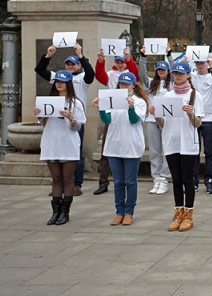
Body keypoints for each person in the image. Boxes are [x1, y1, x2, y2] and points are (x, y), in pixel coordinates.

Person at [149, 61, 204, 232]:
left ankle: (189, 214)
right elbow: (162, 122)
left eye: (181, 73)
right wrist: (155, 114)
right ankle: (178, 212)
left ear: (188, 75)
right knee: (176, 180)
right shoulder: (166, 96)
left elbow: (198, 123)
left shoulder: (195, 95)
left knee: (188, 180)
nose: (178, 76)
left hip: (187, 143)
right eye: (175, 73)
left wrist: (189, 113)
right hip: (171, 141)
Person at [35, 43, 95, 196]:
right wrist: (47, 56)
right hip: (56, 122)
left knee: (76, 153)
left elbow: (90, 74)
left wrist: (81, 55)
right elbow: (40, 70)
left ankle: (76, 183)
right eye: (68, 64)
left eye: (73, 64)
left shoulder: (82, 79)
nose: (70, 66)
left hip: (75, 119)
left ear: (78, 65)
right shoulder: (58, 77)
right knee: (57, 155)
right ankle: (59, 185)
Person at [93, 72, 148, 226]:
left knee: (130, 181)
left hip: (131, 144)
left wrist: (130, 108)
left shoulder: (139, 101)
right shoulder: (112, 99)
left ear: (133, 85)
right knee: (118, 181)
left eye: (127, 84)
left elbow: (134, 120)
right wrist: (101, 109)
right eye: (121, 84)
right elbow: (107, 120)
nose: (124, 86)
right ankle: (119, 211)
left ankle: (129, 212)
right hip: (114, 144)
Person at [36, 70, 87, 225]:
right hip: (51, 142)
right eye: (57, 81)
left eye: (63, 82)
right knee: (56, 178)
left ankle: (65, 211)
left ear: (68, 84)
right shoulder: (49, 100)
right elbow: (43, 121)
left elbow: (78, 126)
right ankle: (55, 211)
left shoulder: (75, 103)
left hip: (68, 143)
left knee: (67, 178)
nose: (59, 84)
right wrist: (39, 114)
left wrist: (71, 117)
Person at [94, 46, 140, 195]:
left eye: (122, 61)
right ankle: (103, 181)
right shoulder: (111, 74)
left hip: (126, 112)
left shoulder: (129, 73)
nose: (120, 64)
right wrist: (100, 61)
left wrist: (129, 59)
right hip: (112, 111)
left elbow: (135, 74)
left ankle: (125, 180)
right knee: (106, 150)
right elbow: (100, 76)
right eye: (118, 61)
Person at [139, 46, 173, 195]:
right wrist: (143, 56)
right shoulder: (151, 85)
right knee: (154, 151)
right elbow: (142, 74)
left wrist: (169, 54)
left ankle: (164, 177)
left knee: (166, 150)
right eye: (159, 70)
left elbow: (174, 68)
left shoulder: (172, 85)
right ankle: (156, 178)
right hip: (152, 120)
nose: (161, 72)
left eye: (163, 70)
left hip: (167, 121)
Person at [191, 54, 212, 194]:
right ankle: (194, 181)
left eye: (203, 63)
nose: (200, 65)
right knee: (194, 152)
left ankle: (209, 181)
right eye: (198, 63)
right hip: (195, 118)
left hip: (209, 118)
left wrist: (211, 66)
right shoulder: (192, 76)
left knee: (208, 152)